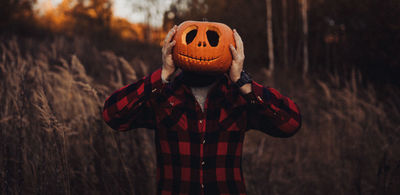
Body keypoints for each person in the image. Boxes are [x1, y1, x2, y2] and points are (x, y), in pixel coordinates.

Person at [103, 24, 301, 195]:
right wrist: (163, 74)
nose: (201, 44)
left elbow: (290, 123)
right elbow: (112, 115)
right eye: (192, 37)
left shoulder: (238, 99)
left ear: (233, 51)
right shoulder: (163, 97)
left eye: (212, 39)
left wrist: (243, 83)